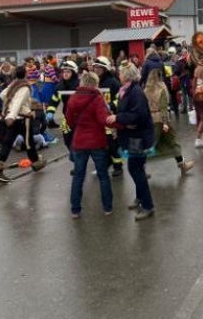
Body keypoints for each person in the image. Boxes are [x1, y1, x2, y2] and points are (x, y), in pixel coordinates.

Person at [106, 62, 156, 221]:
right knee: (137, 168)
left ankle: (148, 206)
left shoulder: (135, 92)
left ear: (126, 75)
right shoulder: (126, 90)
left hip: (138, 137)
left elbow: (138, 115)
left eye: (120, 73)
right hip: (133, 135)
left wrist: (118, 118)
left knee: (136, 169)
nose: (118, 75)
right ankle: (140, 198)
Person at [65, 71, 114, 218]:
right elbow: (103, 119)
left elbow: (69, 121)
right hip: (97, 142)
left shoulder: (72, 99)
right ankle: (107, 208)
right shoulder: (97, 99)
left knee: (78, 176)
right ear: (95, 84)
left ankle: (75, 209)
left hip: (79, 142)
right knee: (103, 176)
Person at [0, 66, 46, 183]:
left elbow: (2, 95)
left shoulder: (13, 84)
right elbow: (18, 102)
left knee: (8, 143)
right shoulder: (25, 87)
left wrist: (13, 108)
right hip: (22, 120)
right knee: (28, 142)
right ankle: (36, 162)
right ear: (25, 75)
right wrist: (13, 115)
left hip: (15, 119)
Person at [144, 69, 195, 176]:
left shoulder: (146, 90)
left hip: (150, 119)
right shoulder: (161, 90)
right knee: (172, 142)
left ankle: (142, 169)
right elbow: (163, 108)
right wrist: (165, 123)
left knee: (150, 145)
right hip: (161, 120)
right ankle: (182, 165)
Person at [93, 56, 124, 176]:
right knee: (102, 145)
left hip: (110, 118)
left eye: (99, 68)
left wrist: (111, 105)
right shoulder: (95, 82)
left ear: (105, 69)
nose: (96, 70)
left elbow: (120, 98)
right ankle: (106, 164)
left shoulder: (113, 82)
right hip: (99, 119)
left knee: (113, 145)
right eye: (95, 68)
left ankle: (118, 167)